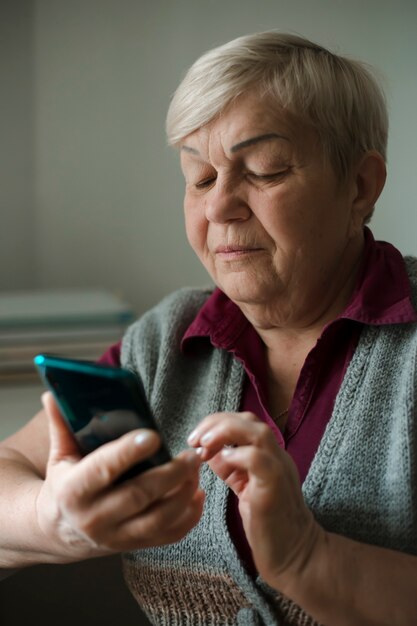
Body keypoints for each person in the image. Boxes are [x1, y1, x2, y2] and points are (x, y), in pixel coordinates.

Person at [1, 31, 417, 626]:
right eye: (200, 177)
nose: (220, 206)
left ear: (359, 186)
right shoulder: (163, 342)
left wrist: (309, 558)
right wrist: (52, 519)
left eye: (266, 171)